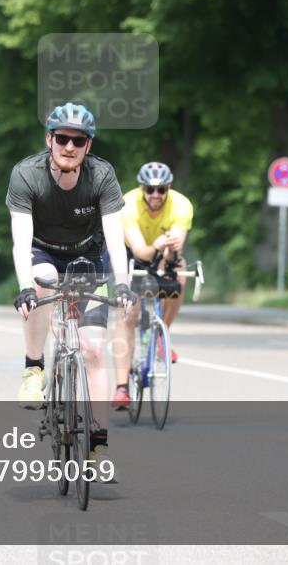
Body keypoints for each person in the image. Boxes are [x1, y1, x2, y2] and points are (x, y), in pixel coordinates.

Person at [6, 102, 134, 474]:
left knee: (93, 350)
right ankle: (34, 368)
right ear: (50, 139)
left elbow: (115, 238)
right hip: (42, 251)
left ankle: (98, 445)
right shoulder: (26, 175)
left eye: (79, 141)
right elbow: (20, 241)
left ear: (88, 146)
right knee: (42, 285)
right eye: (62, 138)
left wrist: (123, 285)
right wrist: (24, 286)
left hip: (88, 258)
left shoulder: (102, 176)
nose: (69, 147)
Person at [111, 161, 194, 410]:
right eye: (150, 189)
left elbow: (172, 255)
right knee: (128, 311)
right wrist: (157, 245)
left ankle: (161, 335)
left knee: (180, 273)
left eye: (161, 190)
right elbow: (140, 252)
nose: (155, 195)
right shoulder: (128, 205)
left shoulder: (182, 206)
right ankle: (122, 387)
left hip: (162, 251)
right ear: (142, 189)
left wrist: (171, 249)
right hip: (132, 253)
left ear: (169, 189)